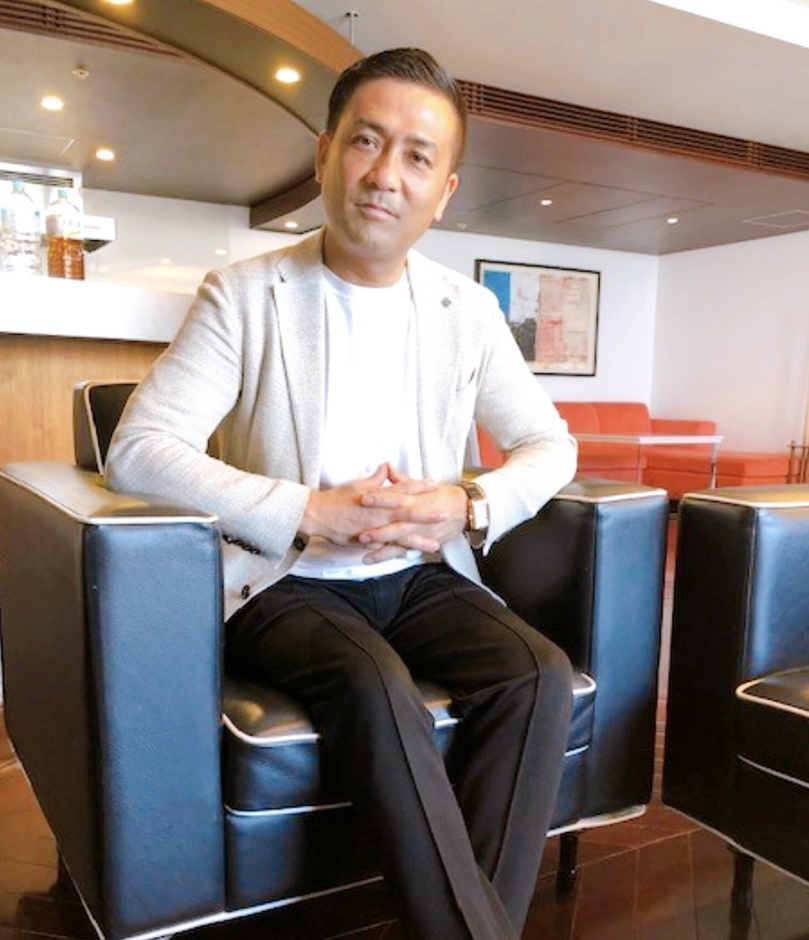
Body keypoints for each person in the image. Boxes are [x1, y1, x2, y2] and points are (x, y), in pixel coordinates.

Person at [105, 47, 577, 940]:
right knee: (372, 683)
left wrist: (468, 505)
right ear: (325, 153)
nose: (385, 175)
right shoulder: (244, 296)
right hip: (287, 579)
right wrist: (308, 511)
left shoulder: (466, 312)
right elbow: (139, 450)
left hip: (422, 571)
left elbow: (550, 444)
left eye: (417, 157)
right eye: (366, 141)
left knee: (537, 673)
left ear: (443, 191)